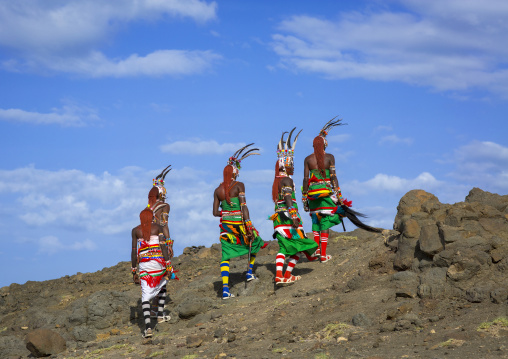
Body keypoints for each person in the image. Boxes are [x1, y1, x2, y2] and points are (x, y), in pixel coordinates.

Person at [302, 117, 381, 263]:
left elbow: (306, 180)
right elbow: (333, 178)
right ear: (324, 144)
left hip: (312, 194)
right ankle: (323, 254)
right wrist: (338, 195)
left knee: (315, 218)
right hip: (326, 193)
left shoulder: (307, 159)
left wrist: (304, 198)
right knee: (326, 219)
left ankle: (318, 249)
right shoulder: (330, 157)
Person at [212, 144, 265, 299]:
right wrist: (248, 224)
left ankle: (225, 291)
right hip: (240, 225)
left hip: (226, 228)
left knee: (225, 256)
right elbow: (244, 207)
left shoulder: (217, 190)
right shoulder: (239, 186)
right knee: (256, 241)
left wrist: (227, 213)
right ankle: (249, 272)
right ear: (235, 171)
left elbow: (215, 213)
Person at [270, 128, 319, 285]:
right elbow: (288, 198)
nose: (293, 165)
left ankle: (282, 276)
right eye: (291, 162)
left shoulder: (278, 181)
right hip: (288, 220)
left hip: (278, 220)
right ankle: (281, 275)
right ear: (285, 164)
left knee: (289, 249)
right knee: (296, 247)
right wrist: (294, 216)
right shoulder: (287, 181)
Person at [131, 207, 173, 338]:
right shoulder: (157, 228)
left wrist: (134, 271)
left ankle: (148, 328)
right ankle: (160, 315)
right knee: (163, 285)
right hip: (158, 264)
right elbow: (163, 247)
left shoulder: (135, 231)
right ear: (151, 217)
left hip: (144, 267)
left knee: (145, 296)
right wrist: (168, 264)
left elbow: (133, 252)